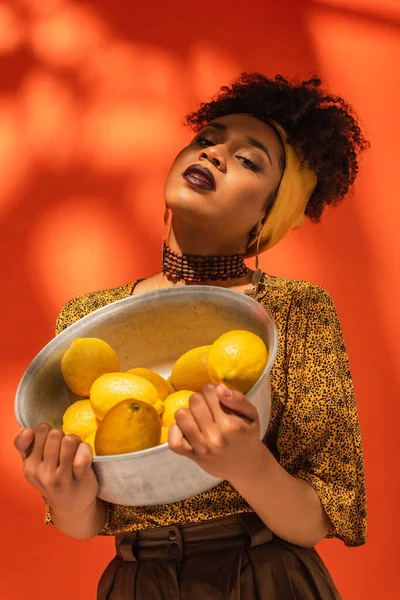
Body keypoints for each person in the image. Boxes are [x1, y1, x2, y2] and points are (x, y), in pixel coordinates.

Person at [14, 73, 368, 599]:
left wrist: (246, 463)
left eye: (249, 160)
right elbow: (84, 521)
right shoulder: (89, 320)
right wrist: (64, 490)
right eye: (207, 140)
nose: (216, 154)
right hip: (136, 581)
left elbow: (324, 514)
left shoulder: (297, 310)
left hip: (266, 576)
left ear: (269, 215)